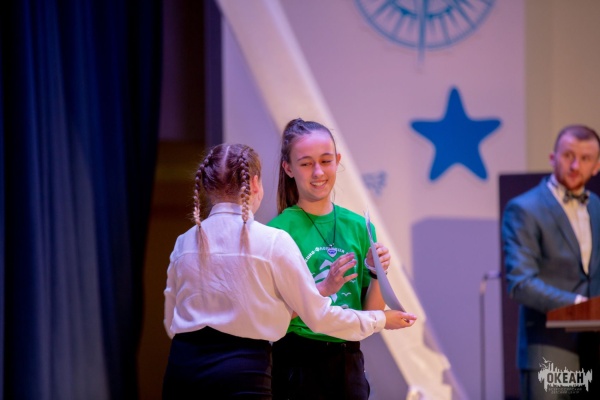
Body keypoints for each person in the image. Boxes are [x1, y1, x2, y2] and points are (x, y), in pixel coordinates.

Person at [162, 143, 416, 399]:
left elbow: (171, 316)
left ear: (206, 186)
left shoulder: (184, 243)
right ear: (255, 183)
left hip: (183, 366)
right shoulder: (272, 240)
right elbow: (319, 317)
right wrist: (382, 319)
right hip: (243, 368)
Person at [268, 118, 401, 400]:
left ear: (338, 161)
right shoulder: (277, 232)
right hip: (296, 361)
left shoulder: (359, 226)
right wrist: (324, 289)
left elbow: (369, 314)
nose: (318, 172)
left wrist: (376, 272)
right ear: (288, 168)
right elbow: (273, 315)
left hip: (348, 360)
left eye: (326, 161)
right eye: (306, 164)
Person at [502, 125, 600, 399]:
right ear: (552, 157)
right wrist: (581, 307)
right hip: (549, 351)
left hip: (594, 350)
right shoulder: (524, 208)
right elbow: (520, 284)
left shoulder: (596, 207)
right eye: (568, 155)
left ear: (596, 166)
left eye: (585, 158)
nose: (575, 165)